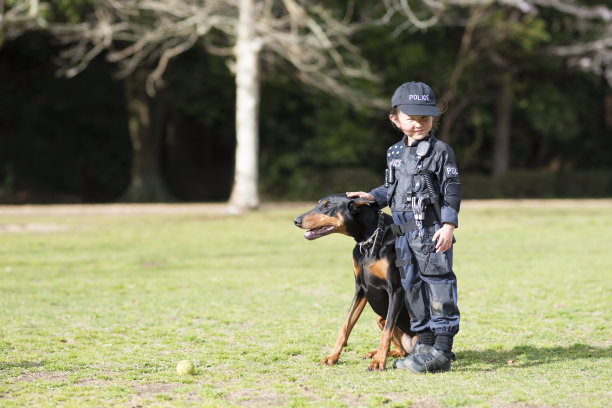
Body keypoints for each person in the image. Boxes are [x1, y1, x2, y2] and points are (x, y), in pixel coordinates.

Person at [347, 81, 461, 374]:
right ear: (395, 120)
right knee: (410, 287)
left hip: (431, 233)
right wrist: (372, 196)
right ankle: (423, 344)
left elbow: (451, 190)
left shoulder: (441, 151)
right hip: (401, 235)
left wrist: (448, 225)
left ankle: (442, 351)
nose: (419, 124)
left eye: (425, 118)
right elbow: (390, 189)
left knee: (438, 286)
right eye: (411, 118)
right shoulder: (394, 154)